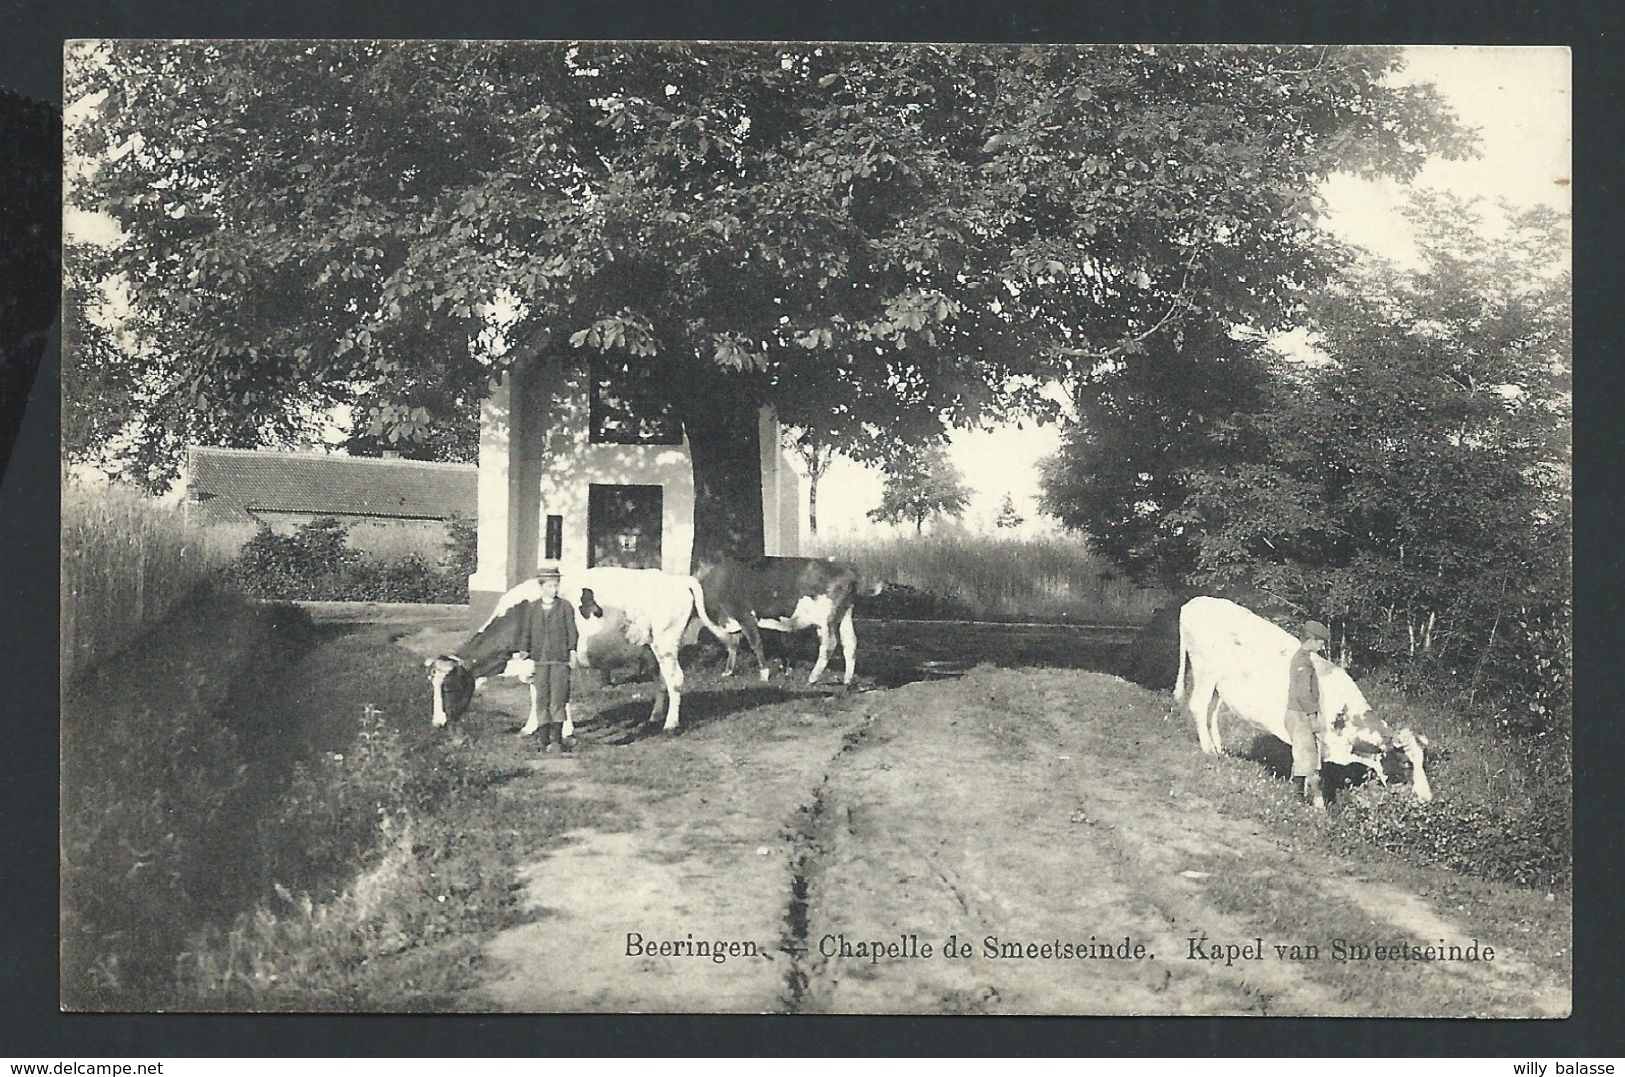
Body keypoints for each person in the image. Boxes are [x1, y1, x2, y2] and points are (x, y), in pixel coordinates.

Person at [524, 564, 578, 754]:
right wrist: (524, 652)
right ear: (541, 587)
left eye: (556, 586)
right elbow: (526, 633)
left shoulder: (565, 607)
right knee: (541, 699)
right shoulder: (532, 608)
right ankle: (543, 738)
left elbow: (572, 631)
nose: (554, 589)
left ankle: (556, 740)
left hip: (559, 660)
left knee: (558, 698)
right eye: (550, 586)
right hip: (539, 660)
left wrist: (572, 652)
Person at [1286, 619, 1331, 810]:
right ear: (1311, 640)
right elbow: (1303, 693)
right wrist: (1313, 717)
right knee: (1311, 761)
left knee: (1302, 756)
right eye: (1321, 642)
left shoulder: (1302, 658)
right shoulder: (1303, 662)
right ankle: (1317, 802)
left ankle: (1296, 797)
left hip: (1298, 713)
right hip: (1301, 715)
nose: (1322, 645)